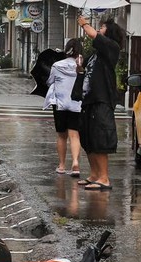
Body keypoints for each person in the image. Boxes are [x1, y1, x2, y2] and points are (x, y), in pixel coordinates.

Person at [75, 16, 124, 191]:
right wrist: (80, 67)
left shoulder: (112, 48)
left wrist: (84, 23)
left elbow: (93, 34)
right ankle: (94, 175)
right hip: (89, 99)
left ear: (109, 32)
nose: (99, 29)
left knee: (101, 138)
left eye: (102, 27)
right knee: (88, 138)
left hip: (102, 99)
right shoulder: (97, 55)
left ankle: (104, 178)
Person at [43, 39, 84, 177]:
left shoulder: (57, 65)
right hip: (76, 105)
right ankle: (75, 163)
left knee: (61, 136)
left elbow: (50, 82)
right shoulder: (81, 66)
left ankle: (61, 165)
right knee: (74, 135)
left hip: (60, 104)